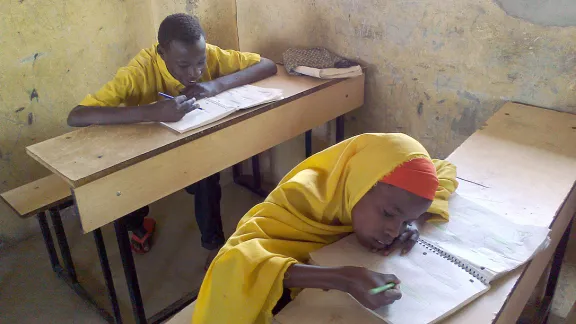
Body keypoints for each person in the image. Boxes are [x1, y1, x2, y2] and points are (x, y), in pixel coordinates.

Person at [67, 13, 277, 265]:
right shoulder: (139, 71)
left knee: (206, 175)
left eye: (200, 62)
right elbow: (76, 116)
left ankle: (214, 244)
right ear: (162, 53)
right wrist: (150, 112)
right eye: (184, 65)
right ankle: (138, 223)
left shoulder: (205, 53)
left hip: (191, 149)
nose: (195, 72)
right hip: (143, 154)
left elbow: (267, 65)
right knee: (123, 188)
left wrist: (215, 86)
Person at [192, 133, 458, 323]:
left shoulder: (381, 185)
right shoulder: (305, 195)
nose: (392, 232)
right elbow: (234, 261)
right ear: (361, 183)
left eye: (401, 222)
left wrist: (414, 221)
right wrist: (343, 278)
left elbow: (443, 169)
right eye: (389, 214)